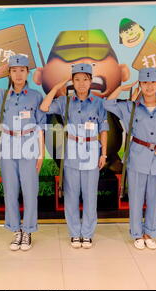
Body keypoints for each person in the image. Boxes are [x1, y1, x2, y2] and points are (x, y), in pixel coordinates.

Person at [0, 55, 45, 251]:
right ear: (9, 73)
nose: (18, 74)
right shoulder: (0, 95)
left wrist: (41, 153)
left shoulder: (36, 96)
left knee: (30, 190)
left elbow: (40, 126)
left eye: (22, 70)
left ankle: (28, 230)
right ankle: (16, 230)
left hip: (30, 144)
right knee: (11, 190)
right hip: (8, 144)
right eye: (14, 70)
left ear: (27, 72)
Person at [104, 68, 156, 250]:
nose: (149, 86)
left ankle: (150, 232)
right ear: (140, 85)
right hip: (137, 157)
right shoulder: (130, 107)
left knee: (155, 198)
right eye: (145, 83)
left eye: (153, 82)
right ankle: (137, 233)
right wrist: (123, 88)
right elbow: (108, 104)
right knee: (136, 198)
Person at [40, 63, 108, 249]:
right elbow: (45, 107)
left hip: (92, 150)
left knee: (89, 196)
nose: (81, 84)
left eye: (85, 79)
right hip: (71, 151)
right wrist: (56, 88)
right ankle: (74, 233)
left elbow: (104, 129)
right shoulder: (65, 102)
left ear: (90, 81)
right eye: (77, 79)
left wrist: (104, 153)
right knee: (71, 195)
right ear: (72, 81)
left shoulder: (98, 102)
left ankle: (87, 234)